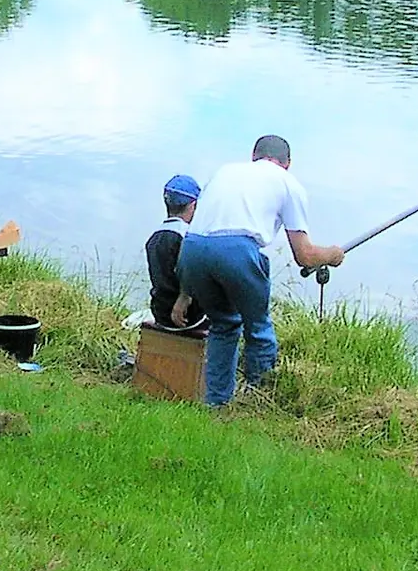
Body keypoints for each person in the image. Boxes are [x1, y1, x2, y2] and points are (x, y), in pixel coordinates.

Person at [173, 135, 343, 406]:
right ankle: (259, 400)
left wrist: (185, 294)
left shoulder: (225, 171)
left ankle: (216, 404)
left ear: (254, 157)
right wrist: (333, 255)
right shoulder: (289, 184)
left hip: (191, 250)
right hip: (236, 251)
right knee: (258, 329)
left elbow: (201, 228)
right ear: (287, 163)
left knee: (224, 325)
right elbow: (305, 255)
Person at [145, 174, 206, 332]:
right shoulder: (190, 238)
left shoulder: (154, 238)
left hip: (161, 315)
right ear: (193, 205)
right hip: (191, 319)